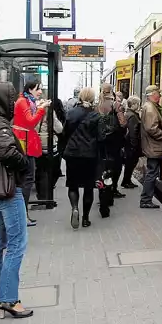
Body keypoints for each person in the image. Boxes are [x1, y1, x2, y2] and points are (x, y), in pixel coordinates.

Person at [0, 81, 33, 319]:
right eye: (11, 99)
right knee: (16, 244)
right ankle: (9, 298)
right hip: (9, 190)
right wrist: (24, 163)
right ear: (4, 101)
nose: (13, 103)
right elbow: (6, 152)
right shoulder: (1, 125)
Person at [13, 79, 50, 227]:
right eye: (38, 89)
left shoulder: (25, 101)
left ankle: (23, 214)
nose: (40, 92)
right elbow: (30, 122)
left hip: (26, 142)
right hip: (24, 144)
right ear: (30, 89)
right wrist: (42, 109)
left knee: (27, 179)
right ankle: (23, 216)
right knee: (27, 180)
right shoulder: (23, 102)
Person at [63, 87, 100, 228]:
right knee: (89, 187)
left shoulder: (71, 113)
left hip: (72, 154)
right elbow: (100, 137)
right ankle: (85, 218)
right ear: (92, 99)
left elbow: (65, 133)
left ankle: (74, 208)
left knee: (73, 185)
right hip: (90, 155)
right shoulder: (95, 115)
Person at [140, 85, 162, 209]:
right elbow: (151, 128)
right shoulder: (151, 109)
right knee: (152, 173)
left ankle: (146, 199)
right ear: (153, 94)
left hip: (153, 146)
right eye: (159, 93)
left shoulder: (151, 107)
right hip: (154, 147)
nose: (160, 96)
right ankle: (146, 200)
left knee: (152, 172)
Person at [96, 83, 127, 202]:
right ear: (111, 91)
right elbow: (123, 122)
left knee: (103, 165)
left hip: (101, 139)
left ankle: (103, 188)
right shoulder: (115, 104)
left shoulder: (97, 104)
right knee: (116, 165)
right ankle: (113, 189)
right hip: (114, 139)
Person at [34, 99, 63, 203]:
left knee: (40, 170)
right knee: (52, 169)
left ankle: (41, 194)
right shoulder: (50, 113)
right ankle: (47, 193)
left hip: (36, 145)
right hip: (48, 145)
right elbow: (59, 129)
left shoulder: (33, 112)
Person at [121, 95, 141, 189]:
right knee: (131, 163)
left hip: (128, 143)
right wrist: (134, 145)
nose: (138, 105)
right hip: (131, 144)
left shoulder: (128, 113)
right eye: (137, 104)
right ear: (134, 104)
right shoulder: (132, 116)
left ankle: (127, 181)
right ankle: (126, 181)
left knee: (129, 163)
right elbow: (133, 132)